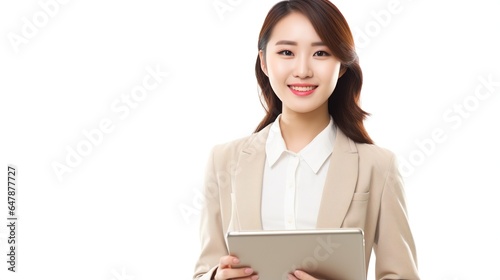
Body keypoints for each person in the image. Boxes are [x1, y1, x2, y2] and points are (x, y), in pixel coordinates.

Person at [193, 0, 419, 279]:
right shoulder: (224, 160)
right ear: (264, 61)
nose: (302, 70)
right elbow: (204, 270)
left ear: (343, 65)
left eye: (321, 53)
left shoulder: (378, 166)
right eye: (286, 52)